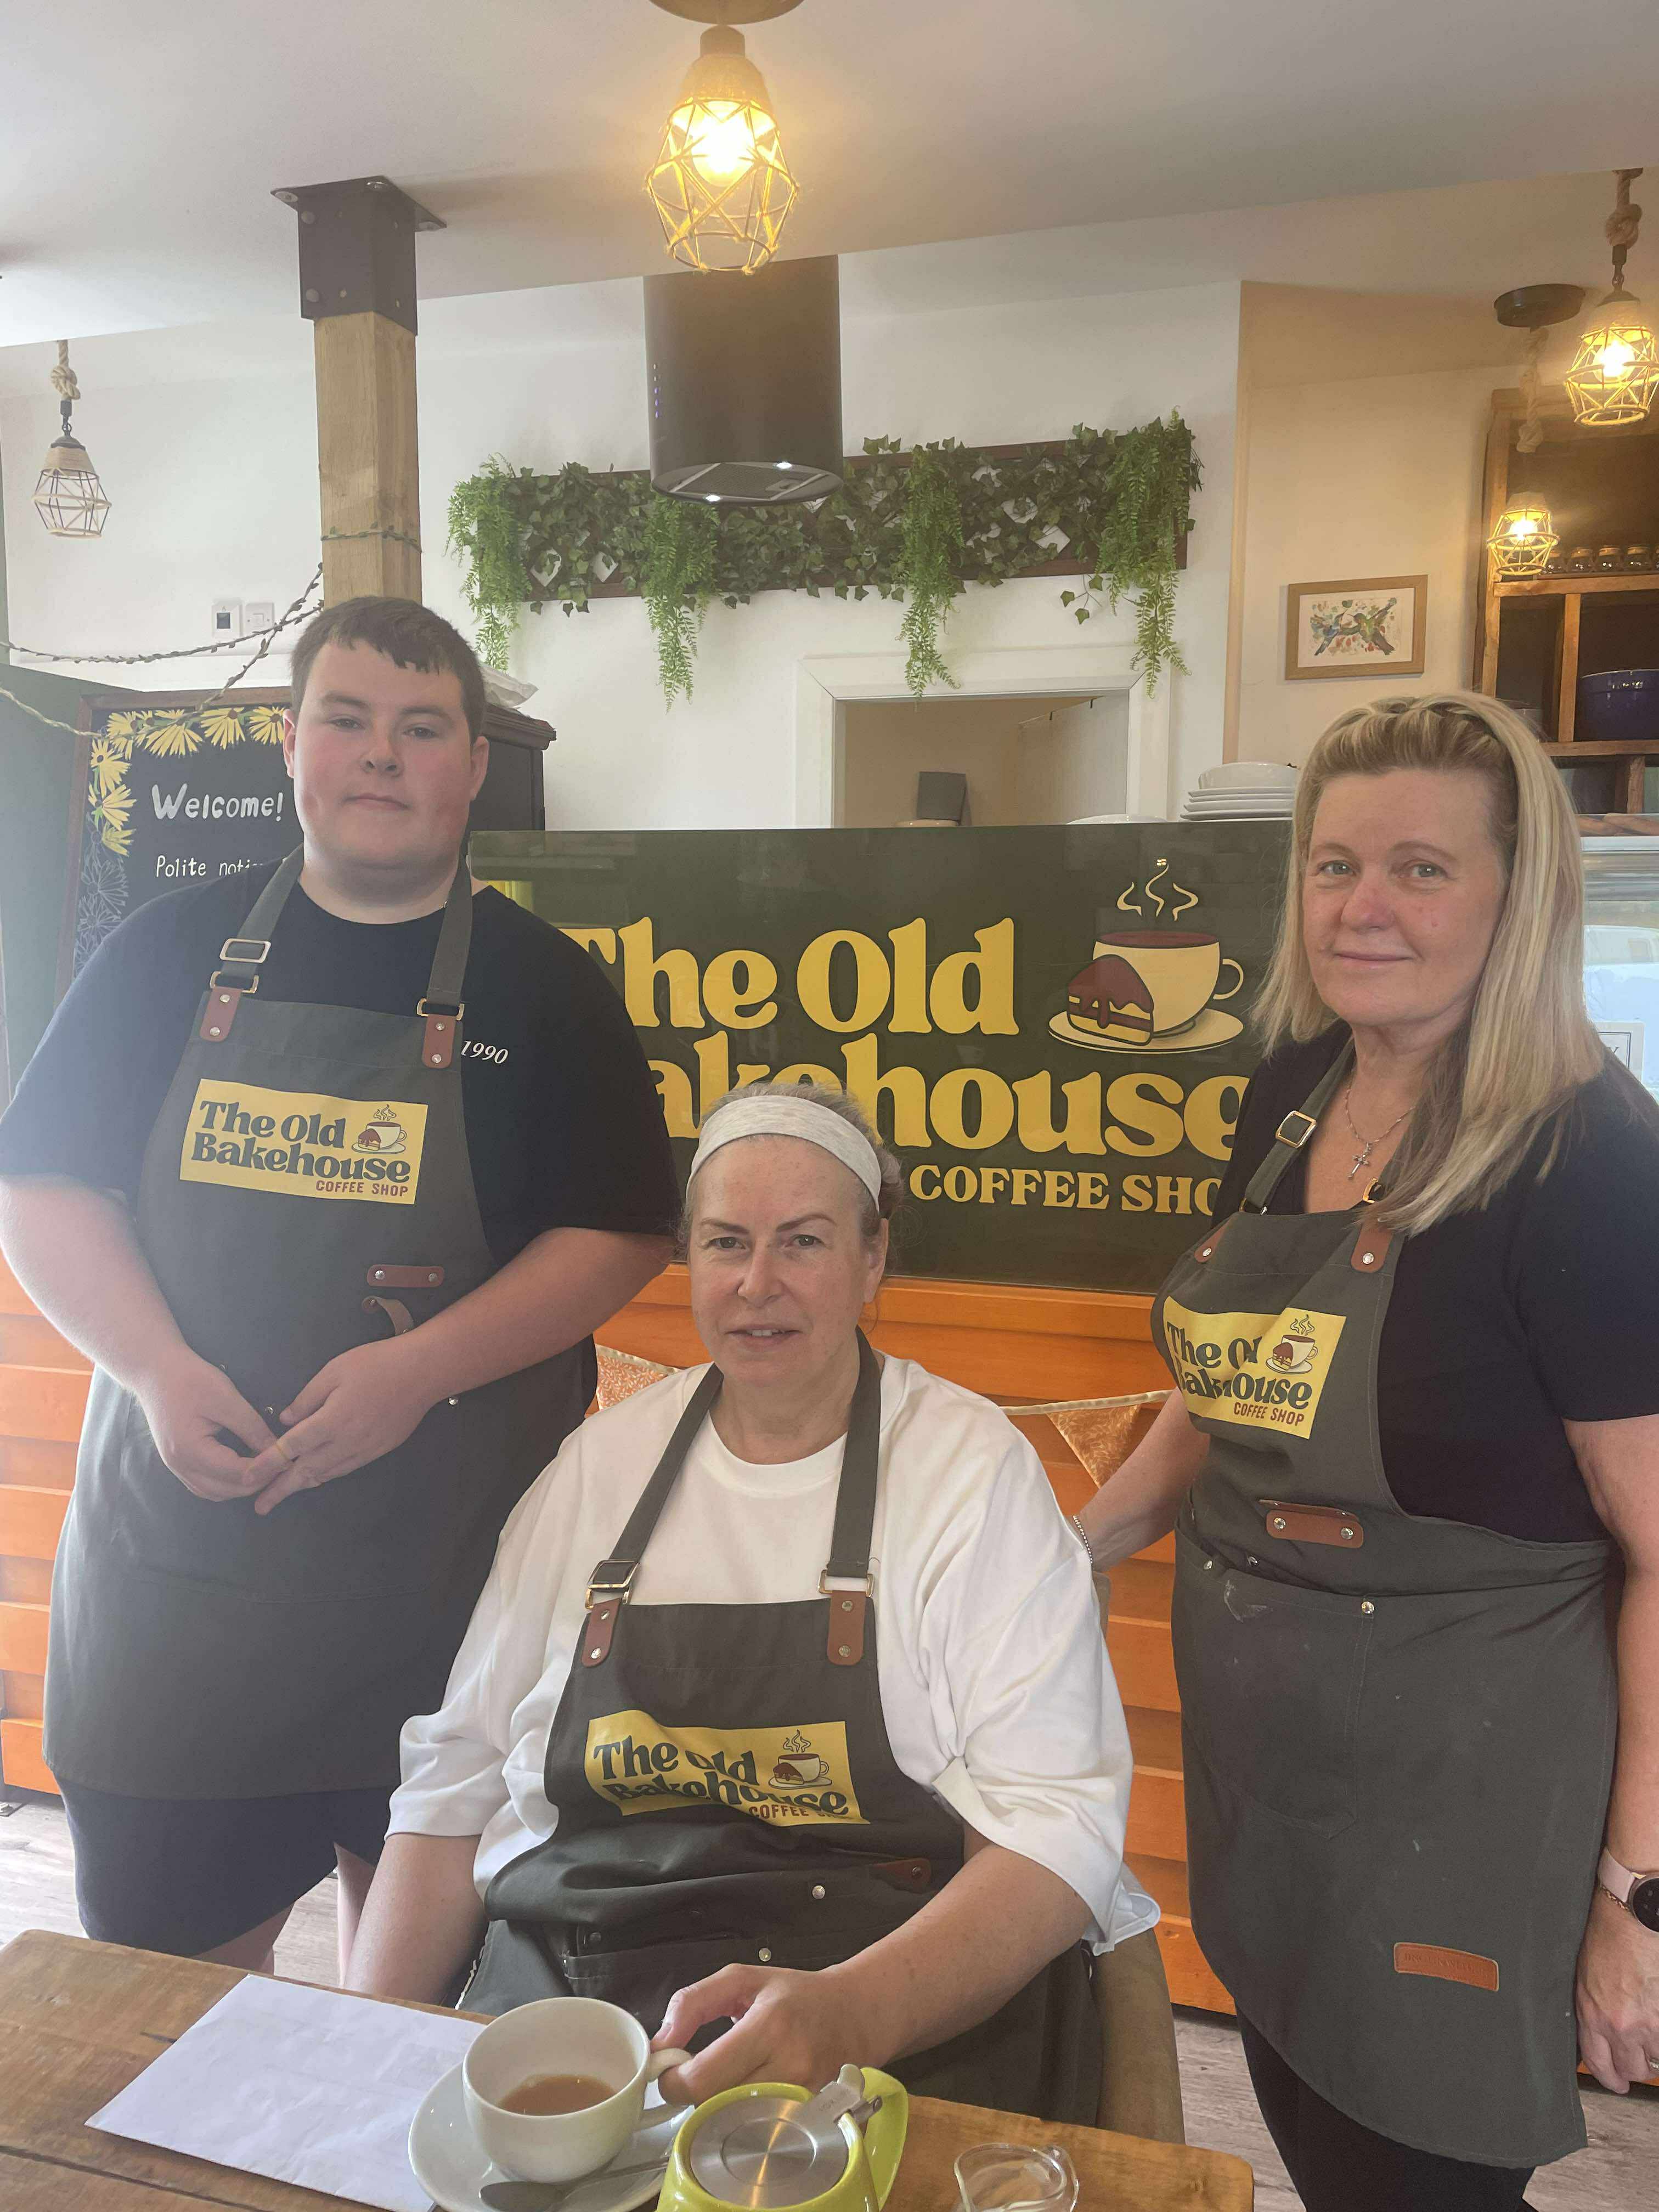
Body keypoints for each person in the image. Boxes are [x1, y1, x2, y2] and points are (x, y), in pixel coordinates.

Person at [0, 597, 677, 1974]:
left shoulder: (547, 994)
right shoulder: (162, 953)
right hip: (186, 1587)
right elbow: (43, 1188)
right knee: (157, 2002)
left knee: (412, 2015)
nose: (385, 757)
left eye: (424, 728)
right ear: (293, 744)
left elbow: (616, 1235)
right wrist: (157, 1369)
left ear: (474, 763)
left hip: (451, 1582)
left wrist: (417, 1369)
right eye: (351, 721)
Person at [1077, 693, 1659, 2210]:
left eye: (1420, 868)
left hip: (1464, 1791)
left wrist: (1633, 1898)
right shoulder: (1291, 1095)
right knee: (1304, 2107)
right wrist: (1071, 1546)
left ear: (1515, 894)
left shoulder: (1589, 1161)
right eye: (1335, 867)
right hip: (1271, 1755)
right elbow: (1226, 1387)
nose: (1363, 909)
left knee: (1422, 2178)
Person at [348, 1082, 1157, 2120]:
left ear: (873, 1259)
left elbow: (1058, 1828)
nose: (758, 1285)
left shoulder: (967, 1472)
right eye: (727, 1243)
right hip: (590, 2001)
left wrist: (853, 2014)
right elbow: (456, 1783)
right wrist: (361, 2046)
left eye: (805, 1243)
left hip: (887, 2010)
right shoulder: (602, 1468)